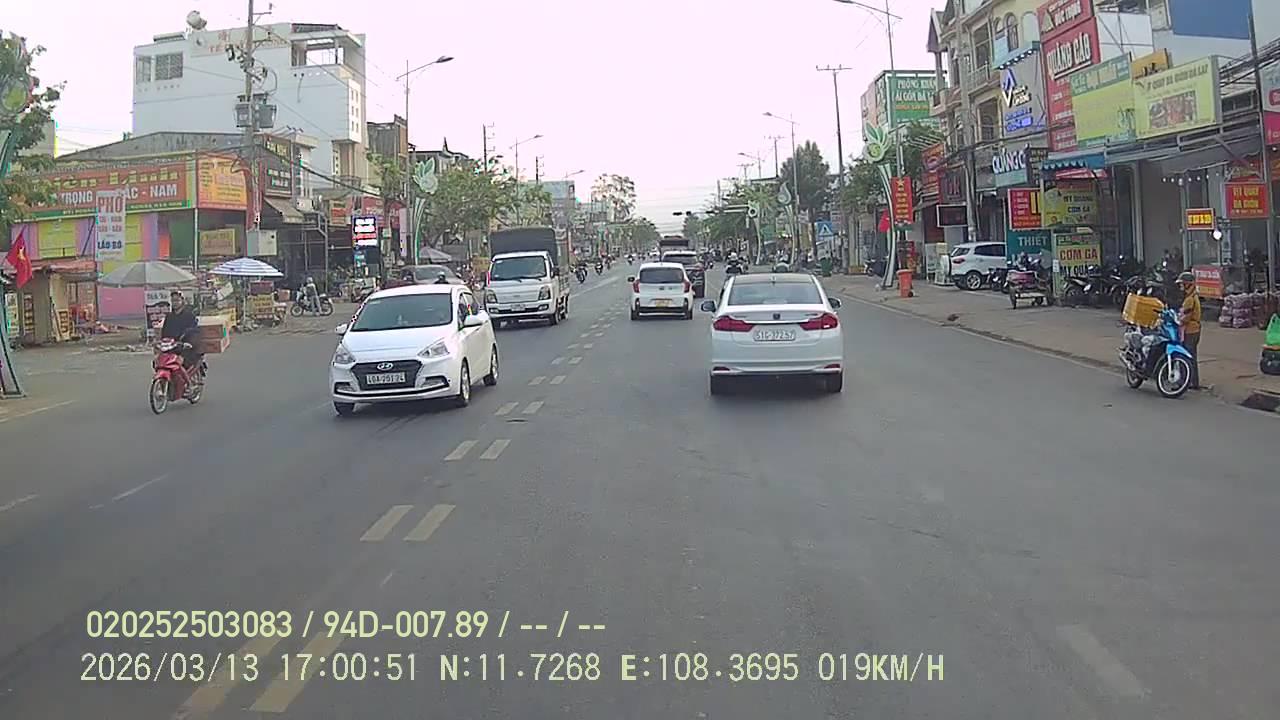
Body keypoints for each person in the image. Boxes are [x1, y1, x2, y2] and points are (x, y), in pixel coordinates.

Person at [159, 290, 201, 371]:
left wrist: (188, 342)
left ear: (182, 301)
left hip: (185, 347)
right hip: (171, 346)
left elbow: (193, 331)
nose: (175, 303)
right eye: (173, 301)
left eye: (177, 300)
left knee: (182, 362)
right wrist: (161, 342)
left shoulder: (189, 315)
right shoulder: (169, 317)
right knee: (159, 362)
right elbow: (164, 333)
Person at [1177, 271, 1202, 390]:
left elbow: (1186, 317)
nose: (1181, 286)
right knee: (1191, 356)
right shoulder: (1192, 296)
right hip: (1194, 330)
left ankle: (1186, 381)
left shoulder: (1190, 299)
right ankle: (1193, 382)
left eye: (1182, 283)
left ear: (1188, 284)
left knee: (1186, 356)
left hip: (1190, 331)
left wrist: (1178, 321)